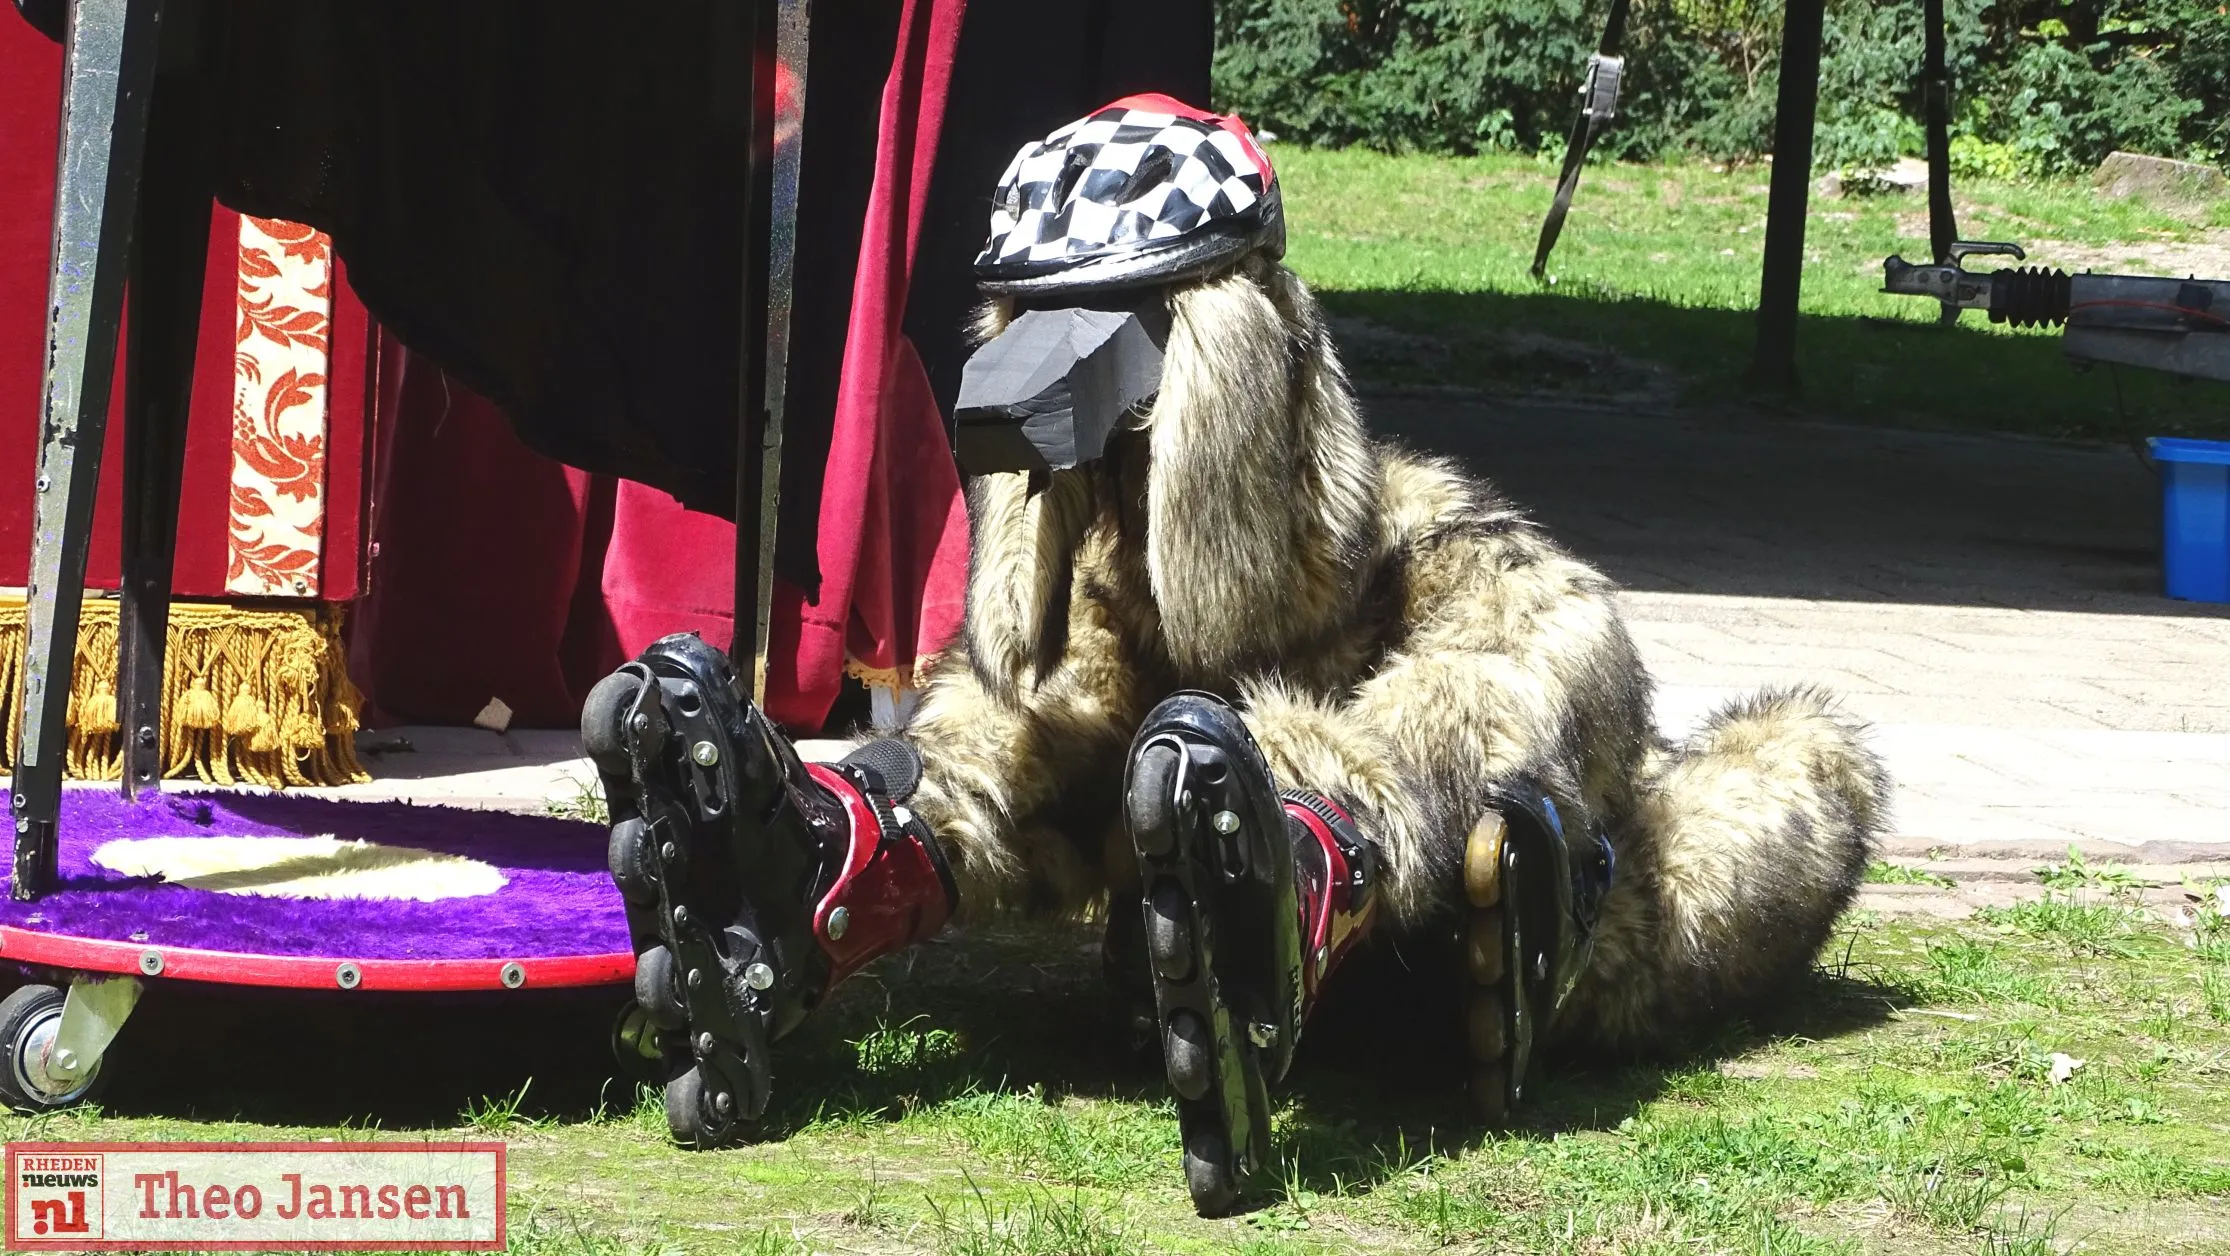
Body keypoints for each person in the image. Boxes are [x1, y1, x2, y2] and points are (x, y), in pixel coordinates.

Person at [584, 95, 1888, 1217]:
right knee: (1027, 721)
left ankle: (1316, 865)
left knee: (1771, 759)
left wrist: (1318, 786)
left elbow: (1547, 674)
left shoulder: (1424, 547)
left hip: (1532, 859)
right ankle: (828, 865)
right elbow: (1038, 706)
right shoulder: (1114, 580)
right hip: (1202, 798)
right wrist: (911, 780)